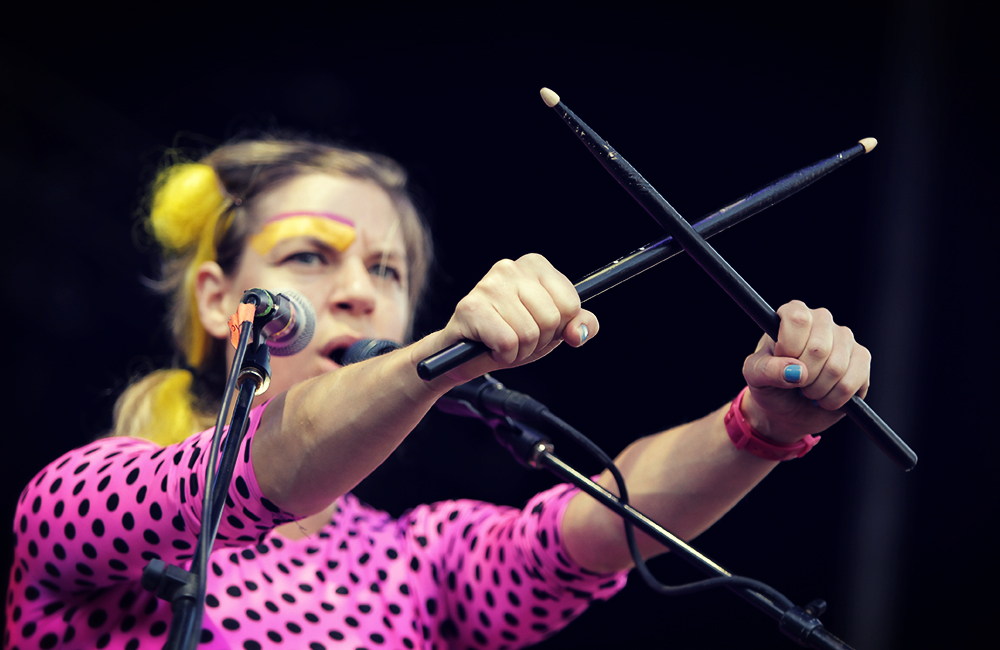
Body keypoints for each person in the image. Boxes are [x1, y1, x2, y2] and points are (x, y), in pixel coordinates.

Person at [5, 137, 870, 650]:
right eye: (310, 256)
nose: (357, 291)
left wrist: (760, 425)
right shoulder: (90, 494)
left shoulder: (414, 561)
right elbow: (267, 460)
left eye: (387, 270)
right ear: (219, 298)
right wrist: (446, 358)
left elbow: (599, 526)